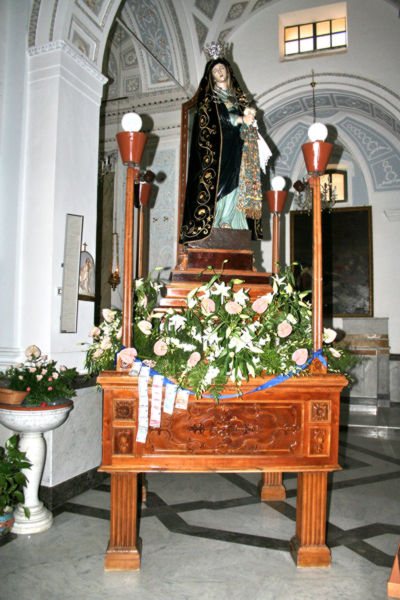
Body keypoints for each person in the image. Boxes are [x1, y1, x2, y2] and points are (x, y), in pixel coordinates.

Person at [179, 47, 270, 245]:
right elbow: (215, 119)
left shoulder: (238, 97)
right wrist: (241, 119)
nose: (220, 72)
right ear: (211, 76)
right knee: (220, 181)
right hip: (217, 149)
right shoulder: (209, 98)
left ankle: (229, 220)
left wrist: (250, 118)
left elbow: (246, 122)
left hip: (238, 146)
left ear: (228, 71)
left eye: (222, 68)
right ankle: (216, 219)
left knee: (237, 181)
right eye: (215, 70)